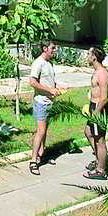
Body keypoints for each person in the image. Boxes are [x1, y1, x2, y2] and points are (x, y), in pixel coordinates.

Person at [27, 41, 67, 175]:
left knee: (45, 130)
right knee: (40, 131)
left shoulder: (49, 63)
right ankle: (33, 161)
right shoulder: (38, 63)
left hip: (49, 102)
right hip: (41, 102)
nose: (55, 50)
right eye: (53, 48)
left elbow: (50, 81)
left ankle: (41, 154)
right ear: (45, 49)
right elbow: (32, 82)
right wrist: (50, 90)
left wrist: (58, 87)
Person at [84, 46, 108, 180]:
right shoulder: (96, 72)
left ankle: (101, 170)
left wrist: (96, 111)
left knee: (100, 140)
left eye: (89, 54)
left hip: (100, 109)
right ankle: (101, 158)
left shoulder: (102, 73)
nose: (87, 56)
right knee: (88, 132)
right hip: (94, 106)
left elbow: (104, 97)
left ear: (94, 57)